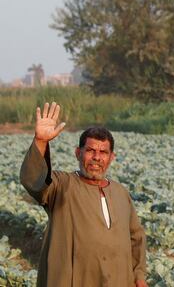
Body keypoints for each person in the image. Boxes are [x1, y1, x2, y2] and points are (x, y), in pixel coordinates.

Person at [19, 102, 147, 287]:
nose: (96, 157)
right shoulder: (62, 185)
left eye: (103, 152)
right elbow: (33, 180)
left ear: (111, 158)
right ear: (78, 153)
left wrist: (139, 275)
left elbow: (136, 237)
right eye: (90, 150)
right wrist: (41, 141)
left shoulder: (120, 193)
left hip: (119, 280)